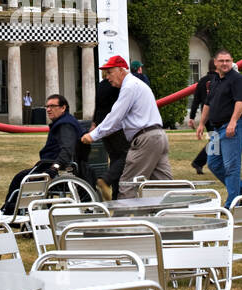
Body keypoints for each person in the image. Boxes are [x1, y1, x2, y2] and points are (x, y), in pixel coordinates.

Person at [82, 55, 172, 198]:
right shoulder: (137, 85)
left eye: (110, 72)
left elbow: (115, 117)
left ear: (121, 71)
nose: (108, 77)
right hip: (158, 136)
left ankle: (120, 220)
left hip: (145, 139)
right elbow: (121, 121)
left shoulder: (128, 87)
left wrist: (93, 135)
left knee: (127, 185)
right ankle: (172, 216)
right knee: (164, 186)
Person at [0, 94, 81, 214]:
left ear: (63, 108)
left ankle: (10, 212)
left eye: (52, 106)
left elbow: (67, 149)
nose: (48, 109)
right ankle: (11, 210)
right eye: (47, 106)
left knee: (20, 178)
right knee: (20, 177)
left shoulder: (65, 125)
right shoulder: (66, 121)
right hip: (53, 165)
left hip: (53, 167)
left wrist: (55, 167)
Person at [196, 50, 242, 204]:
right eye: (222, 61)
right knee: (213, 163)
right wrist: (201, 123)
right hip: (217, 129)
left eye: (228, 60)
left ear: (232, 61)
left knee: (231, 167)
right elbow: (208, 104)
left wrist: (233, 122)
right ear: (215, 63)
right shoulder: (214, 81)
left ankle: (233, 203)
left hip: (233, 127)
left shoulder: (238, 79)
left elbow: (241, 102)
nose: (225, 63)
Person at [91, 74, 129, 198]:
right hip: (115, 126)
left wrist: (95, 123)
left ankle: (115, 194)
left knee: (114, 159)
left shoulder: (101, 85)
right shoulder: (118, 86)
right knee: (126, 156)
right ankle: (107, 180)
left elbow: (97, 107)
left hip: (103, 126)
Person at [187, 69, 213, 174]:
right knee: (216, 141)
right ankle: (199, 162)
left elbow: (196, 100)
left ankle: (199, 162)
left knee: (215, 140)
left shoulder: (202, 81)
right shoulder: (219, 80)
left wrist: (192, 117)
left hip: (205, 116)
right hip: (215, 115)